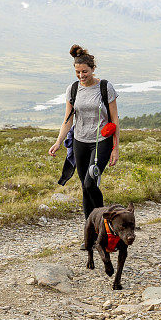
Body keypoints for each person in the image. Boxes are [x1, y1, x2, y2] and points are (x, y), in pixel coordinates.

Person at [49, 44, 119, 220]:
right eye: (78, 72)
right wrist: (58, 142)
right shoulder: (72, 89)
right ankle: (91, 230)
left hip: (101, 141)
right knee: (85, 186)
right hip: (79, 142)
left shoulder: (105, 87)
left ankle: (104, 221)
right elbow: (68, 120)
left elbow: (115, 120)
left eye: (85, 72)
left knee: (90, 183)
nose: (81, 76)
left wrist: (115, 148)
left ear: (93, 69)